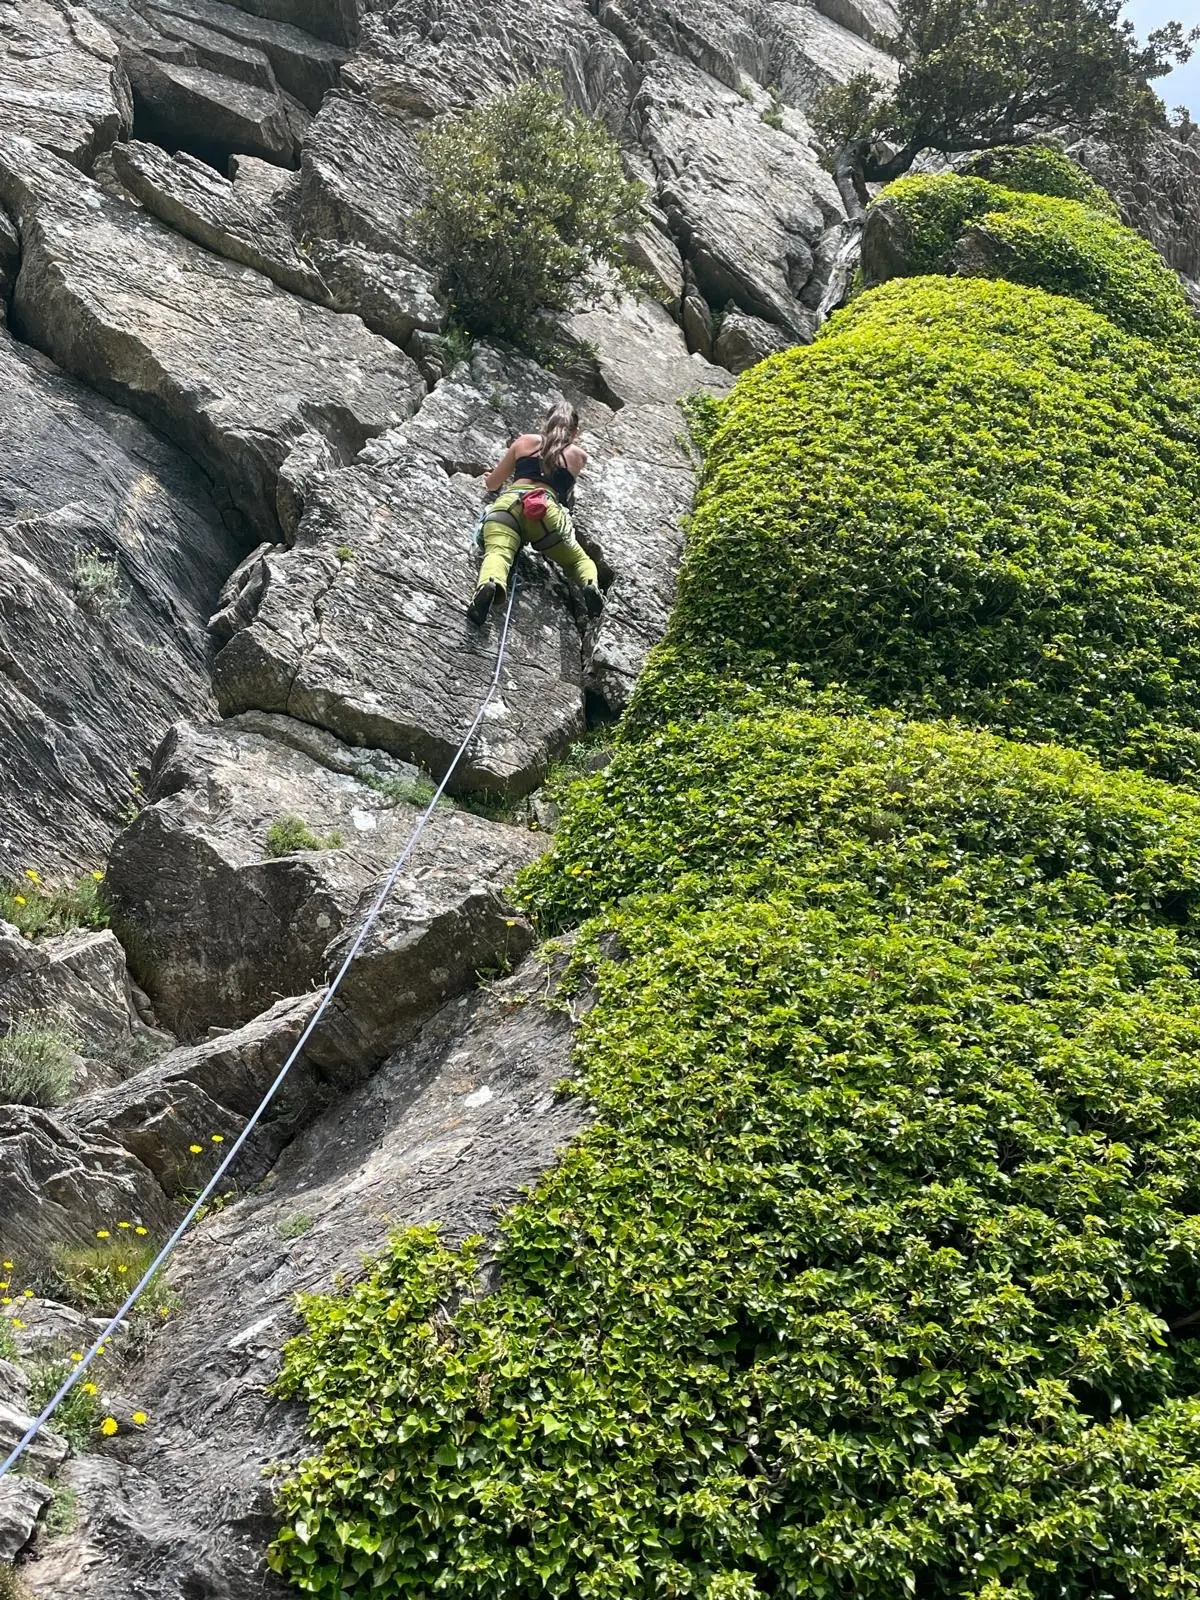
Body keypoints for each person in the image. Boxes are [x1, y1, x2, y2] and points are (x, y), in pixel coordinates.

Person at [468, 400, 605, 625]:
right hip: (546, 512)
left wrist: (490, 478)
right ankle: (589, 584)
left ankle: (490, 584)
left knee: (498, 553)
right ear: (575, 432)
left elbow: (492, 485)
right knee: (579, 560)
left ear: (546, 422)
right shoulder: (578, 456)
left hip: (510, 506)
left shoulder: (524, 442)